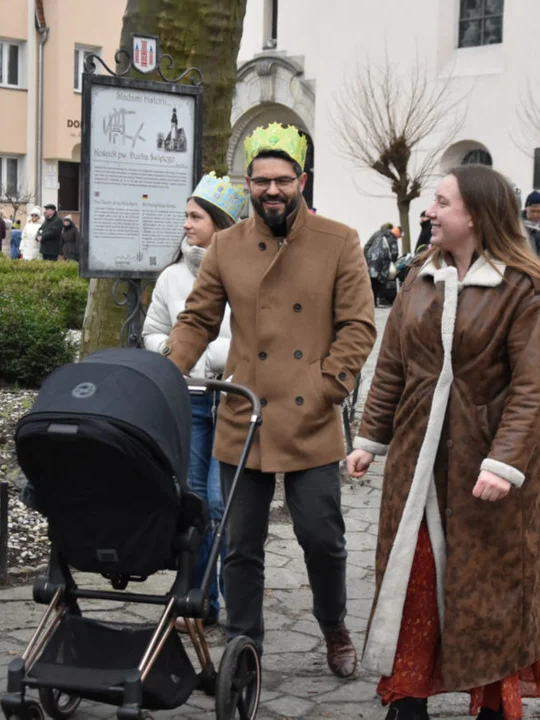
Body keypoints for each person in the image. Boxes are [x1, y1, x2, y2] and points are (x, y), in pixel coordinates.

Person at [348, 165, 540, 720]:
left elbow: (530, 388)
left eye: (441, 202)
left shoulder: (528, 291)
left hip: (484, 469)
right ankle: (408, 697)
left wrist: (505, 461)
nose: (430, 210)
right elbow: (393, 367)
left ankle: (493, 701)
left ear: (476, 215)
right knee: (413, 574)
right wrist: (370, 438)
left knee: (487, 589)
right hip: (416, 465)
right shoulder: (420, 277)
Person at [161, 122, 376, 679]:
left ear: (301, 180)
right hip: (244, 414)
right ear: (249, 183)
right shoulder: (227, 246)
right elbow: (198, 320)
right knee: (240, 544)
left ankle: (334, 626)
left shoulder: (339, 239)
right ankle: (244, 646)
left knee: (322, 537)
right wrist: (163, 375)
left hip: (310, 416)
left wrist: (330, 385)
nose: (272, 190)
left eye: (283, 179)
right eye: (261, 181)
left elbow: (358, 326)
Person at [143, 171, 246, 631]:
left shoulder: (244, 273)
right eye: (185, 215)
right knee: (195, 500)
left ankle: (233, 595)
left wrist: (203, 354)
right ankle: (200, 599)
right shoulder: (170, 277)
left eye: (195, 216)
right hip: (190, 402)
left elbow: (249, 338)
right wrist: (172, 353)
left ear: (219, 222)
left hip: (234, 401)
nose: (185, 224)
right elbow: (152, 332)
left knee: (225, 505)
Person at [515, 186, 540, 269]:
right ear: (526, 208)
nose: (536, 214)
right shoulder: (516, 225)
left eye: (539, 211)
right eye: (532, 211)